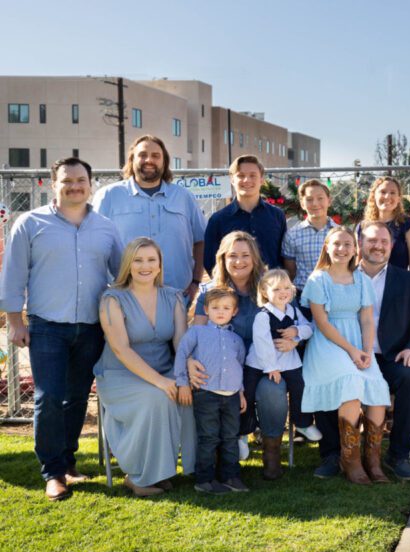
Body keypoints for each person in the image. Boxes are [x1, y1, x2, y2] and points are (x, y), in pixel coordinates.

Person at [0, 157, 123, 501]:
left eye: (81, 180)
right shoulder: (29, 223)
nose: (74, 186)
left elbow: (121, 275)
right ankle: (52, 473)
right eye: (66, 181)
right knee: (49, 397)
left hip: (91, 328)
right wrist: (14, 322)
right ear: (52, 185)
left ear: (91, 183)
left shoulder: (106, 227)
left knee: (78, 398)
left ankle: (69, 464)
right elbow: (13, 276)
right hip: (46, 327)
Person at [309, 220, 410, 482]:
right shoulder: (340, 275)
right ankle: (333, 454)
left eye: (384, 242)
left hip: (391, 354)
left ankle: (398, 455)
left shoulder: (408, 280)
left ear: (392, 246)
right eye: (372, 241)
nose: (378, 246)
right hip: (343, 350)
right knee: (336, 375)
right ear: (359, 244)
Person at [95, 238, 191, 498]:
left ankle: (176, 470)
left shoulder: (173, 297)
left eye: (151, 260)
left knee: (190, 391)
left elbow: (181, 341)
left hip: (165, 369)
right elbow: (120, 349)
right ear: (128, 264)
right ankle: (137, 476)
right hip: (120, 374)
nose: (145, 266)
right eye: (138, 260)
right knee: (156, 396)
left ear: (160, 265)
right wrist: (161, 381)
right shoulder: (112, 298)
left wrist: (182, 376)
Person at [191, 231, 290, 480]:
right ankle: (225, 447)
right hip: (225, 364)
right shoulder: (212, 292)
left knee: (273, 390)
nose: (239, 261)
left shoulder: (267, 287)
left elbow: (289, 316)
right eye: (232, 255)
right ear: (222, 259)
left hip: (262, 361)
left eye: (245, 255)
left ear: (255, 258)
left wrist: (293, 335)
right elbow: (198, 332)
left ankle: (271, 451)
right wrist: (191, 359)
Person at [301, 227, 391, 485]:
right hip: (328, 344)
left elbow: (366, 319)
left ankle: (372, 461)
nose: (342, 249)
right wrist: (352, 351)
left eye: (347, 244)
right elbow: (322, 323)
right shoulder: (318, 279)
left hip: (357, 344)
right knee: (351, 385)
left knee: (377, 388)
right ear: (327, 247)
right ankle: (350, 461)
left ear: (355, 249)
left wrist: (366, 350)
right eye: (336, 244)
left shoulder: (361, 279)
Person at [93, 134, 206, 301]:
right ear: (132, 160)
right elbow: (94, 245)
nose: (149, 160)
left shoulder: (184, 197)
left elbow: (200, 241)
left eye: (155, 156)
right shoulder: (108, 195)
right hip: (124, 297)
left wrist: (196, 282)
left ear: (164, 161)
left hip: (176, 295)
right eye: (142, 155)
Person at [173, 287, 248, 495]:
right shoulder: (197, 332)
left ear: (234, 311)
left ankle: (230, 476)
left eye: (226, 308)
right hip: (206, 394)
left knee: (230, 436)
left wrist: (240, 392)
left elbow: (239, 367)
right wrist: (183, 383)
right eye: (215, 308)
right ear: (206, 309)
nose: (220, 312)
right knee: (209, 437)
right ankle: (204, 479)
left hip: (232, 395)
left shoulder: (236, 340)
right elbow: (182, 355)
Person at [244, 269, 319, 442]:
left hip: (288, 361)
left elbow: (310, 328)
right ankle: (244, 431)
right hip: (259, 363)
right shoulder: (263, 316)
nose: (283, 292)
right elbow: (262, 344)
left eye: (286, 288)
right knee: (247, 392)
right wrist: (271, 367)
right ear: (264, 292)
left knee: (300, 386)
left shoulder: (293, 311)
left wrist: (296, 332)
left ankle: (302, 423)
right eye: (276, 289)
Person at [204, 155, 287, 273]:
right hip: (233, 290)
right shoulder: (218, 220)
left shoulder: (277, 216)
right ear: (232, 180)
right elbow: (210, 261)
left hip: (271, 288)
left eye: (252, 175)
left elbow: (285, 257)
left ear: (262, 179)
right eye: (241, 176)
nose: (247, 180)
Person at [282, 179, 337, 304]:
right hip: (303, 297)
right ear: (302, 203)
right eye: (309, 199)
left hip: (334, 296)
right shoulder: (292, 234)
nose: (315, 203)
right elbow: (291, 271)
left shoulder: (339, 233)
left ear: (329, 201)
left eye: (320, 198)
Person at [355, 176, 410, 274]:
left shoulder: (408, 225)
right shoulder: (363, 226)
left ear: (398, 199)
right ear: (374, 196)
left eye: (393, 193)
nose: (387, 196)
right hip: (368, 285)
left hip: (397, 285)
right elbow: (357, 263)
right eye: (383, 192)